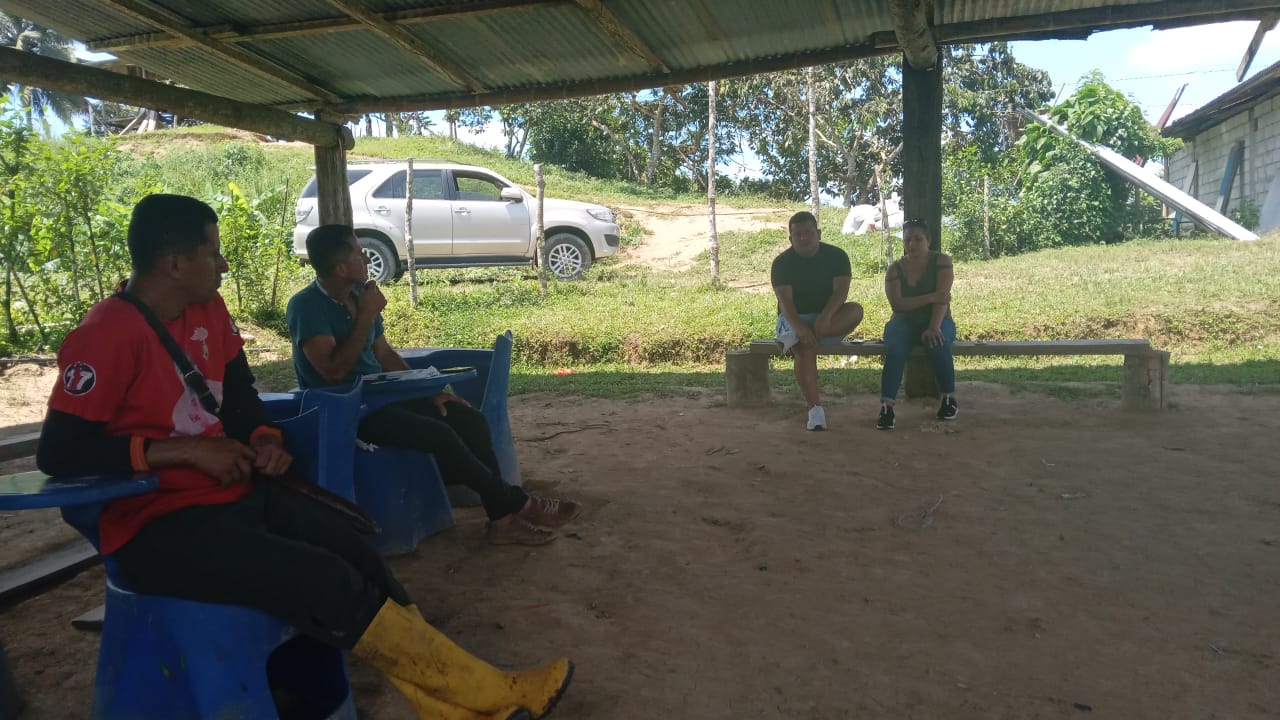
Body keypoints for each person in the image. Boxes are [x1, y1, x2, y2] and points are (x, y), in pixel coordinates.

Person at [37, 194, 572, 720]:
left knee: (359, 554)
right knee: (323, 578)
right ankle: (482, 693)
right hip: (156, 525)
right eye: (213, 253)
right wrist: (189, 450)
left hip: (230, 496)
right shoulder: (107, 333)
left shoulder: (207, 309)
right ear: (176, 264)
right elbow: (61, 450)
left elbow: (239, 396)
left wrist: (265, 437)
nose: (224, 265)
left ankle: (448, 702)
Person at [286, 224, 578, 546]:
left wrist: (428, 391)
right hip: (346, 410)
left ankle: (502, 520)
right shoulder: (307, 306)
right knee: (438, 435)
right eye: (359, 253)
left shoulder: (359, 296)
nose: (367, 258)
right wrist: (366, 316)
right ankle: (517, 504)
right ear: (341, 268)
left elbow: (384, 354)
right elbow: (333, 372)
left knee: (469, 420)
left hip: (383, 397)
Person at [770, 211, 865, 430]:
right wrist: (800, 328)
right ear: (791, 238)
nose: (804, 238)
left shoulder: (838, 256)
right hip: (793, 318)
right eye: (798, 234)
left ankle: (795, 340)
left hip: (829, 321)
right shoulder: (781, 263)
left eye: (808, 232)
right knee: (804, 348)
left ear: (818, 234)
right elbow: (785, 303)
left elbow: (841, 293)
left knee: (856, 310)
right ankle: (815, 409)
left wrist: (825, 318)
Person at [876, 218, 957, 430]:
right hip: (903, 321)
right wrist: (931, 297)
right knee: (896, 348)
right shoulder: (895, 269)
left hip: (939, 319)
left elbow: (942, 299)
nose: (912, 244)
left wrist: (934, 326)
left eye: (918, 239)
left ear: (928, 240)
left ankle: (949, 398)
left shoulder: (942, 261)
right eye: (908, 239)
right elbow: (898, 305)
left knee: (938, 341)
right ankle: (887, 407)